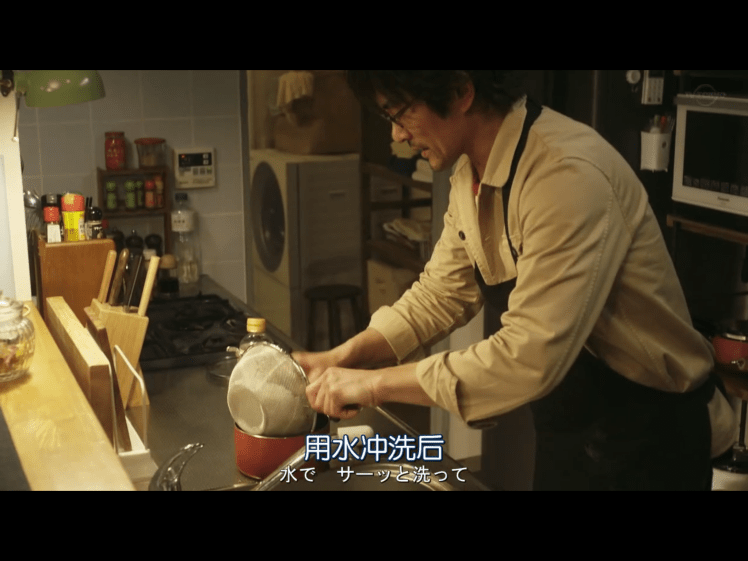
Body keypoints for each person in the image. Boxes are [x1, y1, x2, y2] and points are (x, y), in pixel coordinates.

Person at [293, 70, 737, 490]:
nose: (396, 134)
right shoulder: (471, 172)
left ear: (460, 91)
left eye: (400, 112)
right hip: (573, 424)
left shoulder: (565, 175)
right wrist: (342, 357)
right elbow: (440, 294)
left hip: (652, 432)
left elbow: (530, 355)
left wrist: (374, 386)